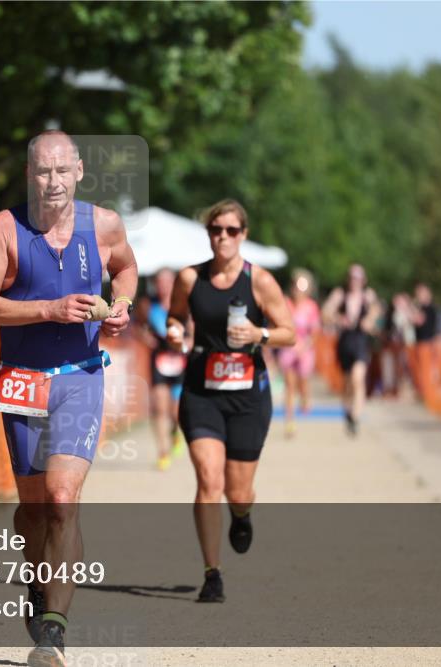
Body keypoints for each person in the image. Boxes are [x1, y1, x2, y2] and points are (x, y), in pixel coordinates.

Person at [0, 130, 138, 667]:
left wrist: (122, 305)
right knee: (34, 509)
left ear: (80, 171)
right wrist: (48, 309)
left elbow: (126, 270)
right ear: (28, 174)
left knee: (63, 500)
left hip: (81, 377)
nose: (53, 181)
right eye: (44, 171)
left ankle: (54, 634)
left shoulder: (105, 224)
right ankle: (37, 583)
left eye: (63, 171)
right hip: (22, 379)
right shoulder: (4, 228)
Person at [165, 199, 295, 603]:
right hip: (202, 390)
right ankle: (212, 574)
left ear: (244, 235)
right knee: (208, 478)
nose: (223, 237)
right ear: (208, 234)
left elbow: (289, 331)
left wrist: (261, 335)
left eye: (231, 230)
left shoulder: (261, 282)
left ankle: (241, 516)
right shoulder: (190, 278)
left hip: (247, 396)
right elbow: (175, 315)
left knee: (238, 492)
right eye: (216, 230)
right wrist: (174, 331)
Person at [321, 264, 381, 436]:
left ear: (363, 280)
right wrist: (337, 318)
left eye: (358, 278)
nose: (355, 282)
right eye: (352, 278)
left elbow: (376, 309)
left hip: (361, 341)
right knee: (347, 382)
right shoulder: (340, 294)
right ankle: (348, 410)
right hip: (345, 342)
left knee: (358, 378)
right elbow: (325, 311)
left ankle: (355, 416)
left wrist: (369, 319)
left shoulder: (368, 295)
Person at [142, 268, 187, 469]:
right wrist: (145, 337)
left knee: (176, 413)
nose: (163, 286)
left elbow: (194, 331)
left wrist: (187, 343)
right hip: (159, 361)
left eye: (167, 282)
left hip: (180, 363)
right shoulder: (148, 306)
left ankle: (175, 433)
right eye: (160, 282)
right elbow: (135, 326)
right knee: (159, 407)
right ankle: (163, 452)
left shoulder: (182, 305)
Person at [276, 269, 321, 438]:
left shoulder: (311, 306)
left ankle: (305, 397)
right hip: (288, 346)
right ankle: (290, 420)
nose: (298, 289)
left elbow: (315, 332)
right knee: (289, 385)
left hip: (305, 347)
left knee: (303, 379)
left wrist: (304, 346)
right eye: (296, 285)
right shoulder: (286, 303)